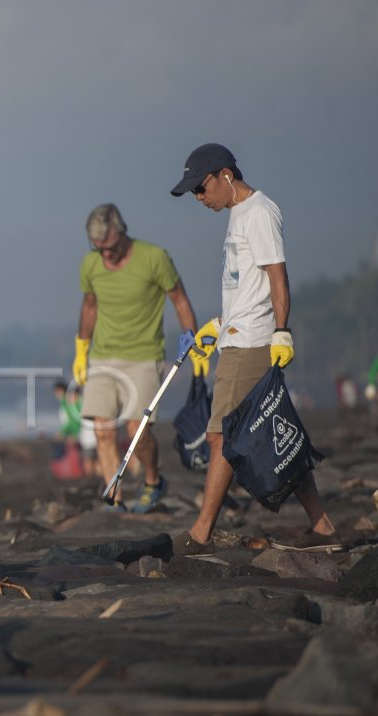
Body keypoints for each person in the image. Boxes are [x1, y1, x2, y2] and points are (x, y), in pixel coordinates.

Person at [170, 144, 337, 552]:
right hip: (237, 336)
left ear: (225, 175)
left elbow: (277, 276)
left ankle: (200, 533)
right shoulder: (238, 214)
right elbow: (247, 285)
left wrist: (282, 331)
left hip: (252, 342)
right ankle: (323, 525)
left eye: (201, 188)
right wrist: (217, 326)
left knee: (220, 437)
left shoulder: (258, 212)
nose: (199, 198)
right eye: (192, 192)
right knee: (267, 434)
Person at [72, 203, 198, 512]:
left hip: (144, 355)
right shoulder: (90, 265)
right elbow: (90, 305)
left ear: (122, 231)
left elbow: (178, 297)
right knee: (102, 429)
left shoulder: (153, 257)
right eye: (98, 248)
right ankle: (115, 500)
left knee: (136, 431)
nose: (106, 255)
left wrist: (191, 336)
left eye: (110, 247)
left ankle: (153, 481)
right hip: (102, 356)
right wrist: (81, 349)